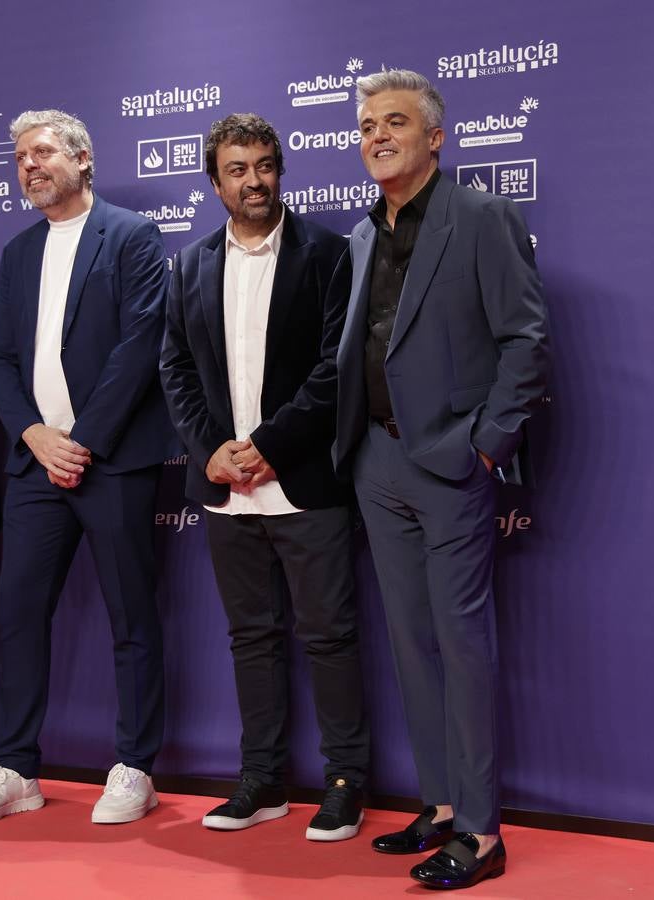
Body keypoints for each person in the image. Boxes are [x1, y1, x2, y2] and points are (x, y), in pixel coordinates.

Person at [332, 69, 550, 889]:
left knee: (461, 646)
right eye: (366, 126)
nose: (376, 137)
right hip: (376, 462)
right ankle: (443, 805)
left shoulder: (482, 217)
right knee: (410, 643)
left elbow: (525, 340)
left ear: (434, 136)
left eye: (393, 122)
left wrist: (485, 446)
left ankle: (482, 834)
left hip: (452, 461)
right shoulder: (360, 236)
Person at [0, 109, 175, 827]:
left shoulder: (131, 235)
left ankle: (135, 766)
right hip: (34, 465)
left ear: (82, 158)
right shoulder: (18, 252)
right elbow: (0, 359)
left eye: (42, 152)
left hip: (113, 461)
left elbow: (140, 345)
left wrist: (83, 442)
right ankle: (16, 768)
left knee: (131, 616)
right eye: (19, 157)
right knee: (19, 615)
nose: (29, 165)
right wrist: (34, 435)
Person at [160, 113, 368, 840]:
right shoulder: (188, 265)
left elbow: (336, 366)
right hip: (226, 491)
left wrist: (271, 445)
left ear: (280, 168)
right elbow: (175, 368)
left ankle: (345, 781)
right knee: (251, 637)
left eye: (264, 165)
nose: (254, 181)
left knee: (330, 636)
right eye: (237, 170)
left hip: (304, 480)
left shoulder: (329, 253)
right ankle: (262, 779)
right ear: (215, 183)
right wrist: (209, 451)